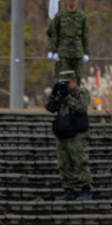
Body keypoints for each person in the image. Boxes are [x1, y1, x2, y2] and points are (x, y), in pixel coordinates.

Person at [45, 70, 92, 202]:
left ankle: (85, 189)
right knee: (64, 163)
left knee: (80, 161)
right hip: (63, 132)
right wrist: (54, 94)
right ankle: (68, 189)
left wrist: (68, 97)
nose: (65, 86)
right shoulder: (61, 93)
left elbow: (82, 108)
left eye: (67, 83)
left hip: (77, 134)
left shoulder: (81, 93)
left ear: (74, 81)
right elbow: (49, 107)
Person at [47, 0, 90, 82]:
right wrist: (53, 50)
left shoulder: (82, 16)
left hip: (77, 51)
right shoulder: (59, 16)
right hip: (64, 50)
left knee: (77, 78)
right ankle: (65, 96)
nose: (71, 1)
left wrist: (86, 52)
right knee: (64, 78)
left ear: (77, 0)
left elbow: (85, 35)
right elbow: (54, 34)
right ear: (65, 0)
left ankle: (77, 96)